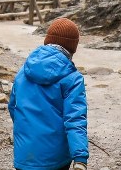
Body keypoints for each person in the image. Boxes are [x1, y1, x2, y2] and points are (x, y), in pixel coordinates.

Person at [7, 17, 89, 170]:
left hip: (24, 156)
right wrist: (80, 157)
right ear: (72, 47)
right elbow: (75, 119)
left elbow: (13, 107)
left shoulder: (23, 72)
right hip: (55, 160)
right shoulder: (72, 78)